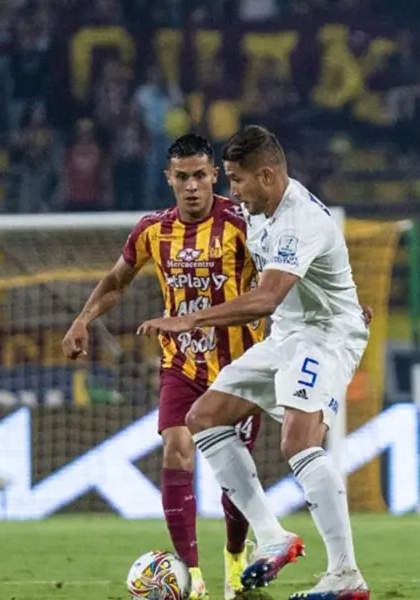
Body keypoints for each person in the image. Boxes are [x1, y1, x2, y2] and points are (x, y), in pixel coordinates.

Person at [137, 125, 370, 600]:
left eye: (237, 180)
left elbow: (264, 299)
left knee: (298, 439)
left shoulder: (299, 219)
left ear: (267, 175)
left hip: (325, 338)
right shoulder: (258, 209)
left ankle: (346, 574)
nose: (232, 190)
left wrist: (190, 320)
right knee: (202, 417)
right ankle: (273, 537)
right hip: (287, 333)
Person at [62, 133, 262, 600]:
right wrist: (83, 319)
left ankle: (235, 558)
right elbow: (117, 280)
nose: (192, 186)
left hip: (239, 368)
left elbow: (282, 281)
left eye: (200, 175)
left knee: (235, 476)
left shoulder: (243, 223)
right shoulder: (153, 230)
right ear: (168, 178)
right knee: (176, 450)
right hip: (180, 364)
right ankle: (192, 580)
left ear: (215, 175)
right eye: (182, 177)